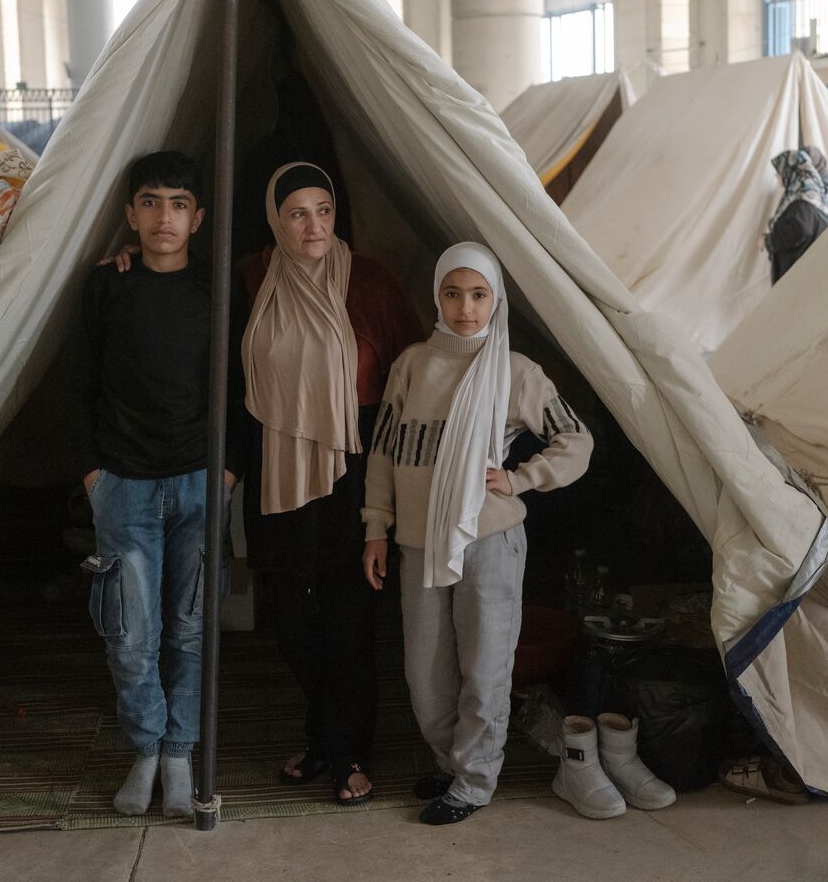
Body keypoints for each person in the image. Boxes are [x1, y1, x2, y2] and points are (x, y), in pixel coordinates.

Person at [361, 242, 593, 825]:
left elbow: (576, 441)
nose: (465, 308)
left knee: (485, 667)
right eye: (453, 294)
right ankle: (450, 762)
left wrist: (520, 478)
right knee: (426, 673)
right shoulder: (413, 365)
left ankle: (474, 781)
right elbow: (384, 453)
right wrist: (376, 527)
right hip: (419, 540)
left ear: (496, 300)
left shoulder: (515, 371)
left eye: (478, 295)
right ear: (436, 297)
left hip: (488, 540)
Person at [235, 162, 421, 806]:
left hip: (355, 467)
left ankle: (347, 751)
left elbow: (412, 378)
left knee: (349, 619)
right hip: (277, 469)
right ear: (275, 219)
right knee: (291, 622)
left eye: (324, 210)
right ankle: (324, 736)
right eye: (296, 213)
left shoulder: (370, 281)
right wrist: (123, 259)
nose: (313, 226)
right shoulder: (252, 277)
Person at [78, 150, 227, 819]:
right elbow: (79, 379)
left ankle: (179, 754)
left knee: (190, 629)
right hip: (125, 483)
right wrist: (93, 471)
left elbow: (242, 383)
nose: (164, 217)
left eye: (178, 204)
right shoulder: (106, 285)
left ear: (198, 217)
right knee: (130, 632)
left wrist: (229, 471)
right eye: (150, 203)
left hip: (199, 479)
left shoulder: (217, 290)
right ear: (130, 215)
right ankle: (143, 749)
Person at [764, 146, 828, 283]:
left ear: (792, 172)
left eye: (780, 171)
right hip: (812, 276)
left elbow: (800, 229)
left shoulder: (802, 203)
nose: (777, 176)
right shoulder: (821, 201)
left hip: (799, 279)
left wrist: (768, 241)